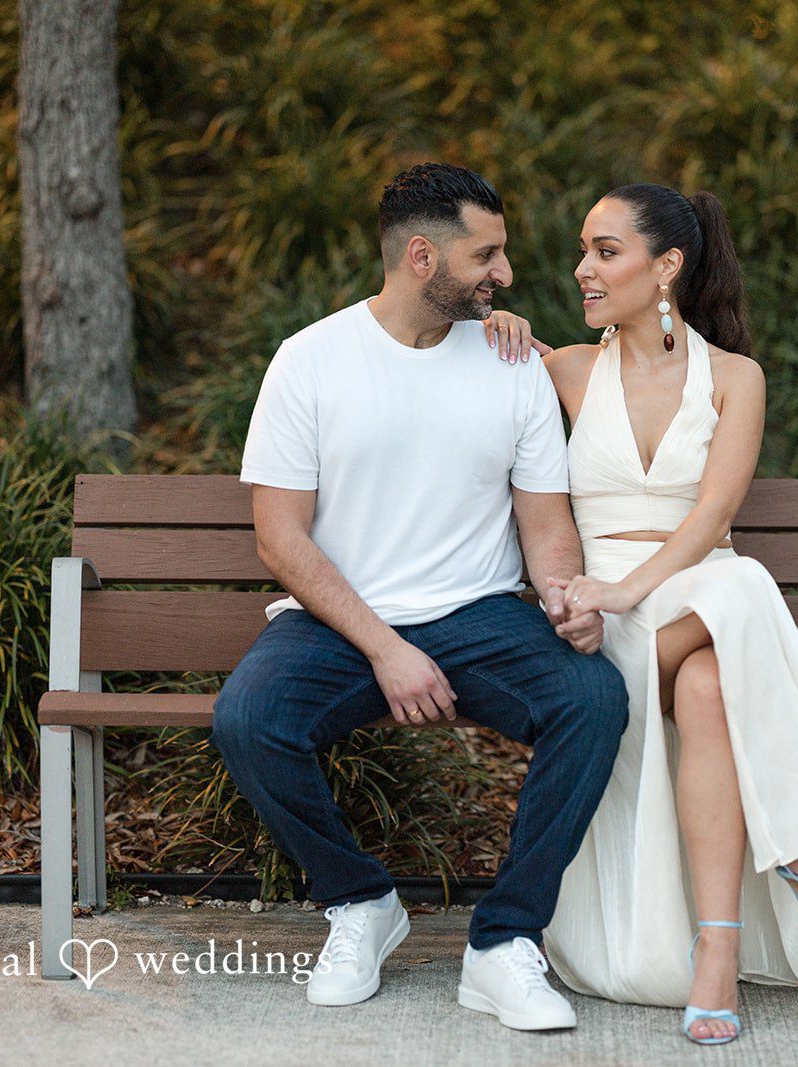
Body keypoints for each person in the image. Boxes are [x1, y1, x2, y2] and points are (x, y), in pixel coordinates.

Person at [493, 184, 798, 1044]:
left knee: (710, 669)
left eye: (605, 251)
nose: (583, 269)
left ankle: (716, 958)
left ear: (666, 266)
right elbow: (471, 393)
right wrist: (498, 329)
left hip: (694, 600)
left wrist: (627, 588)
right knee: (747, 591)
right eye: (583, 250)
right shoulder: (565, 371)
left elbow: (711, 517)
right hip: (607, 629)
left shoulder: (735, 379)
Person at [210, 163, 629, 1033]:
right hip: (342, 621)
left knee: (593, 698)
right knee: (249, 719)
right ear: (423, 257)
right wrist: (385, 647)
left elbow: (545, 522)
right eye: (487, 255)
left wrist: (566, 597)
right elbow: (280, 538)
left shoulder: (511, 361)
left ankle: (504, 942)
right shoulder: (310, 360)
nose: (505, 272)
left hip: (479, 614)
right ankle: (360, 902)